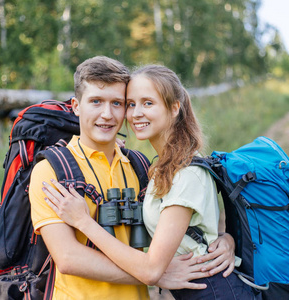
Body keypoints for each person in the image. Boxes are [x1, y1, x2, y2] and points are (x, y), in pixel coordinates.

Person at [42, 64, 259, 299]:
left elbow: (151, 268)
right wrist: (225, 239)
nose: (136, 113)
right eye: (131, 104)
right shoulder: (156, 168)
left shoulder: (185, 173)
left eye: (148, 103)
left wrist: (84, 222)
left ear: (175, 107)